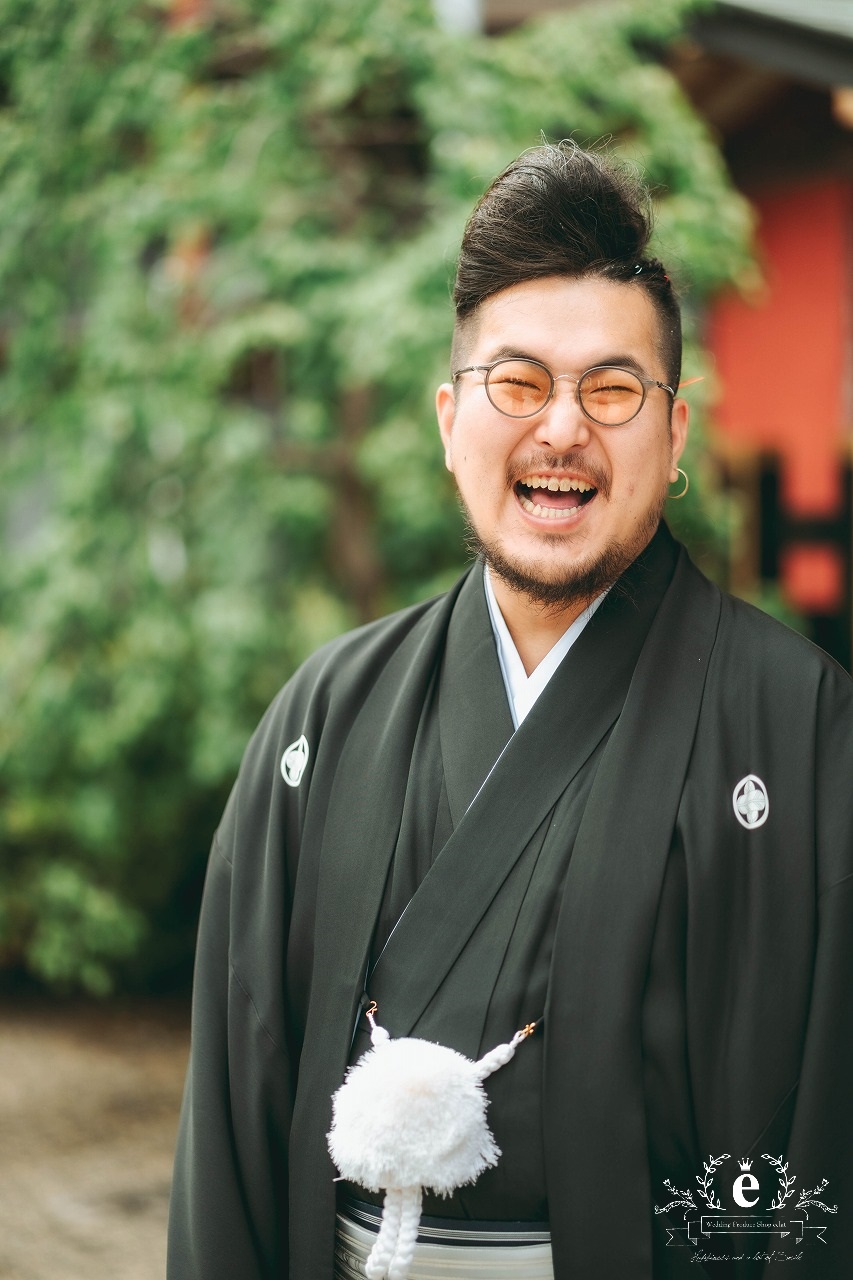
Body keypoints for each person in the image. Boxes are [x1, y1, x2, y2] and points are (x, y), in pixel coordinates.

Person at [167, 142, 853, 1280]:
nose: (562, 430)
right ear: (449, 421)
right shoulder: (322, 717)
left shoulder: (803, 732)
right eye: (519, 383)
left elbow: (829, 1134)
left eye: (613, 389)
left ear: (674, 434)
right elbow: (232, 1125)